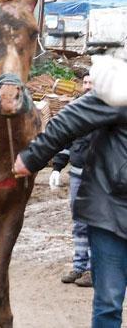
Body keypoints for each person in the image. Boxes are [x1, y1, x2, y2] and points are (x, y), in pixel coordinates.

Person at [14, 86, 127, 328]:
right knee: (109, 301)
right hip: (113, 210)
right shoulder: (119, 89)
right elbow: (70, 119)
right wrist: (33, 157)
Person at [51, 74, 93, 287]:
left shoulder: (110, 110)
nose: (87, 86)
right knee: (78, 223)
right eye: (84, 82)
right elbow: (66, 140)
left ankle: (93, 269)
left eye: (91, 82)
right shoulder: (76, 110)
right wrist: (57, 168)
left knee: (95, 222)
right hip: (77, 173)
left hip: (99, 177)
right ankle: (79, 266)